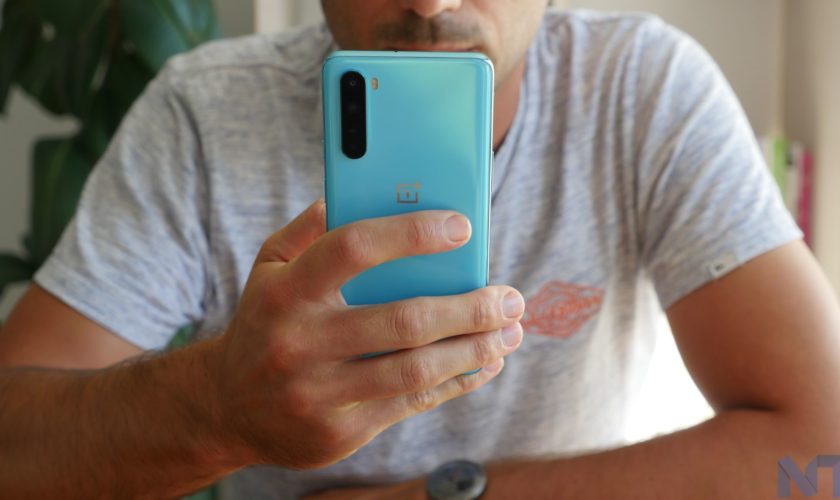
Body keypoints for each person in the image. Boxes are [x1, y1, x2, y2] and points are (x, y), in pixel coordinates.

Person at [1, 0, 839, 498]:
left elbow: (824, 451)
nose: (432, 3)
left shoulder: (643, 89)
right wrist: (218, 406)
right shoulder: (203, 116)